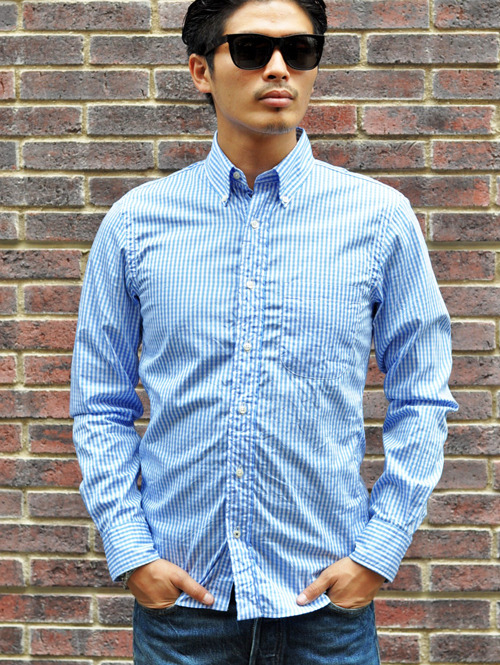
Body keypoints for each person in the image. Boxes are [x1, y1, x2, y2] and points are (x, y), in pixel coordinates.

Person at [70, 0, 458, 662]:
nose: (278, 68)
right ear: (201, 70)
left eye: (299, 51)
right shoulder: (135, 224)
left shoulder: (379, 220)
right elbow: (99, 402)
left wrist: (378, 550)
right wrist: (131, 550)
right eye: (252, 50)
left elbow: (422, 396)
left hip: (325, 610)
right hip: (184, 611)